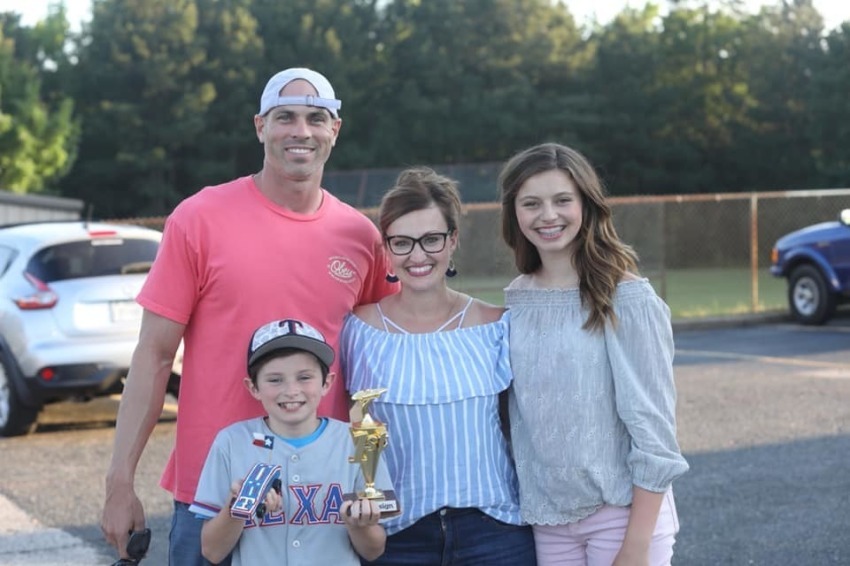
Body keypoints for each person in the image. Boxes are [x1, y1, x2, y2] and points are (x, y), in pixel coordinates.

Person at [101, 67, 397, 565]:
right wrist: (118, 482)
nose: (300, 131)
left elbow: (382, 355)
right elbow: (153, 356)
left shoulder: (360, 236)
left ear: (334, 130)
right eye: (284, 117)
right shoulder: (199, 218)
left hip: (321, 497)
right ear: (260, 126)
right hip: (212, 497)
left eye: (315, 118)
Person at [498, 142, 690, 566]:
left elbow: (654, 431)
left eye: (562, 200)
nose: (548, 215)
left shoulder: (626, 297)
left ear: (586, 204)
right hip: (548, 520)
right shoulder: (515, 300)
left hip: (621, 518)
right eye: (531, 203)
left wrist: (636, 545)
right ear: (515, 212)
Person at [340, 167, 537, 565]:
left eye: (431, 239)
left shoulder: (495, 324)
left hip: (494, 532)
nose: (417, 255)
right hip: (398, 537)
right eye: (402, 242)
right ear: (386, 249)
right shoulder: (358, 329)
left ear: (452, 241)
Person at [189, 318, 389, 565]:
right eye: (275, 380)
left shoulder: (360, 442)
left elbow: (374, 550)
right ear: (253, 387)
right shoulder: (231, 442)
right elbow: (212, 551)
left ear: (327, 382)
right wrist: (237, 507)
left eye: (304, 377)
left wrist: (359, 525)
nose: (291, 390)